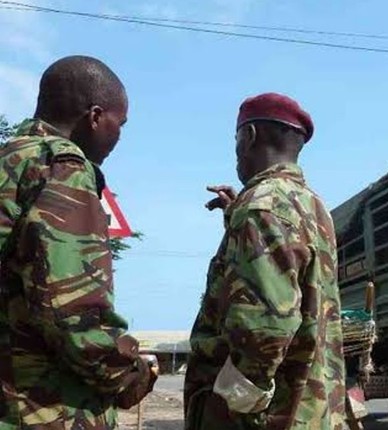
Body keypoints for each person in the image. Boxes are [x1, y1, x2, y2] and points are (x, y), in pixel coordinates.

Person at [0, 56, 156, 429]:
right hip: (44, 409)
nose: (119, 136)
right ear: (96, 116)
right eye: (121, 123)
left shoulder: (11, 160)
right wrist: (132, 372)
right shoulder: (63, 166)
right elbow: (72, 311)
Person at [184, 93, 346, 430]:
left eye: (236, 139)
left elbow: (264, 331)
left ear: (250, 136)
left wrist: (237, 410)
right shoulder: (314, 207)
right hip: (312, 413)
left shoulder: (262, 207)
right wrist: (237, 216)